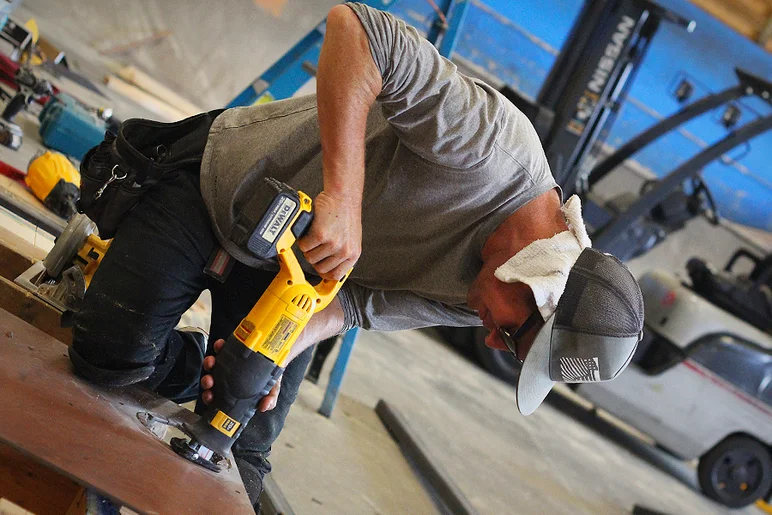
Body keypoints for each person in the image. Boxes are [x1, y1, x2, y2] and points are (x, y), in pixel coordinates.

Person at [68, 3, 644, 510]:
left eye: (512, 348)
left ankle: (202, 365)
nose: (493, 340)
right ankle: (169, 351)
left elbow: (357, 307)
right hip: (224, 189)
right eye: (513, 335)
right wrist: (341, 196)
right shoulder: (489, 148)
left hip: (296, 273)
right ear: (538, 280)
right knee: (108, 358)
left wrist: (274, 352)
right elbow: (356, 28)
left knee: (241, 454)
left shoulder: (487, 296)